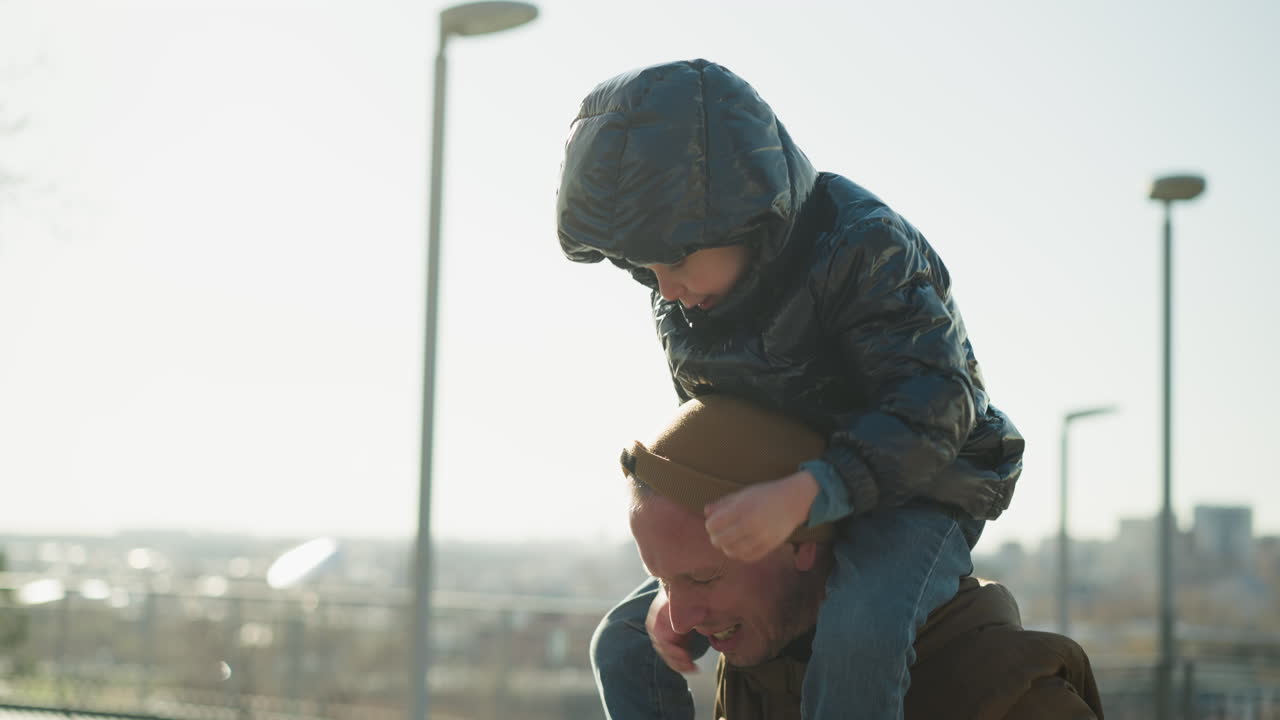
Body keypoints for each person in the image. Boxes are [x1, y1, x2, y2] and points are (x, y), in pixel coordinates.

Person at [557, 58, 1025, 720]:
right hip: (783, 496)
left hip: (918, 487)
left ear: (739, 212)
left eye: (676, 260)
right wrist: (681, 588)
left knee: (860, 633)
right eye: (645, 268)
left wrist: (811, 490)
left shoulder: (863, 245)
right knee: (625, 643)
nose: (664, 288)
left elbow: (936, 403)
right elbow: (720, 434)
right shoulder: (687, 297)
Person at [621, 394, 1102, 720]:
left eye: (703, 577)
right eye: (663, 582)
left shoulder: (1014, 699)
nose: (680, 619)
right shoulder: (758, 667)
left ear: (801, 539)